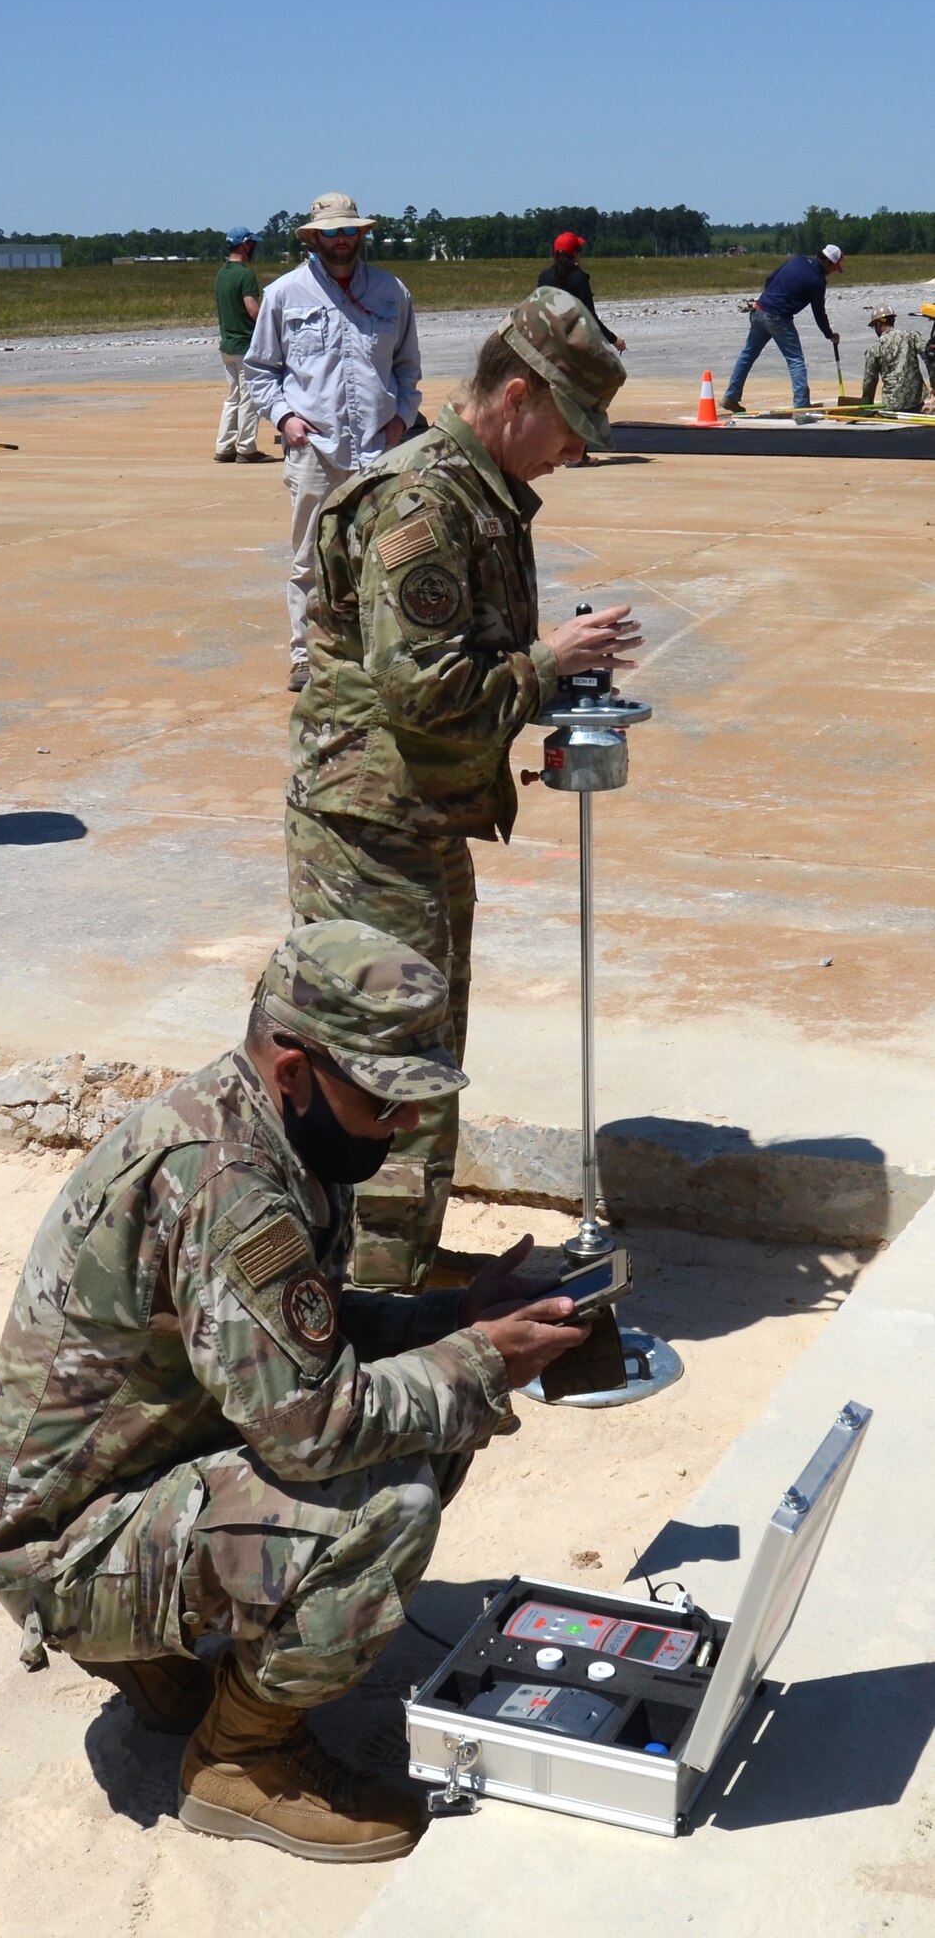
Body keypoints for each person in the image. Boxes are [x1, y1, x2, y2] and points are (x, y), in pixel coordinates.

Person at [0, 919, 590, 1864]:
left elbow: (299, 1338)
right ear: (295, 1069)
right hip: (59, 1550)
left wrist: (455, 1319)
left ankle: (169, 1657)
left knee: (433, 1395)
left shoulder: (264, 1126)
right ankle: (242, 1761)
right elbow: (314, 1426)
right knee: (391, 1490)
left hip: (132, 1477)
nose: (404, 1125)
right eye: (385, 1101)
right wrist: (480, 1361)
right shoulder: (229, 1183)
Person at [285, 289, 640, 1295]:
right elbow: (425, 691)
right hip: (371, 828)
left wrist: (555, 670)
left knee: (417, 1056)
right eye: (570, 429)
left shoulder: (473, 492)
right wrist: (545, 660)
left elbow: (455, 662)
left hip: (409, 818)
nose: (572, 454)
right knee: (383, 1063)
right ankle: (371, 1296)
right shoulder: (425, 502)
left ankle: (390, 1264)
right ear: (517, 396)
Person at [244, 192, 421, 694]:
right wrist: (284, 419)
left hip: (380, 451)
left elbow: (408, 368)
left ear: (361, 235)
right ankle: (304, 656)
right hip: (315, 451)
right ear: (313, 237)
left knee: (387, 552)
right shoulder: (284, 294)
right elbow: (260, 371)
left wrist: (401, 419)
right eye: (332, 233)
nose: (341, 241)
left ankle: (379, 651)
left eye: (349, 232)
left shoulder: (392, 293)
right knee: (309, 559)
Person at [721, 244, 844, 413]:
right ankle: (801, 406)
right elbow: (819, 312)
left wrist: (768, 301)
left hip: (759, 310)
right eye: (834, 267)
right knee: (795, 361)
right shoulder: (818, 281)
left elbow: (770, 279)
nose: (833, 271)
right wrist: (829, 334)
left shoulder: (796, 260)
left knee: (748, 355)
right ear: (828, 262)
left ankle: (730, 397)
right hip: (778, 318)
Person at [213, 227, 270, 464]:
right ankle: (246, 448)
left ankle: (224, 446)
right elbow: (253, 310)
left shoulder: (221, 274)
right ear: (245, 245)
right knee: (250, 398)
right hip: (246, 345)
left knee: (233, 397)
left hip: (227, 346)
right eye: (252, 244)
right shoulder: (245, 275)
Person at [536, 232, 626, 352]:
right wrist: (614, 340)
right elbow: (590, 316)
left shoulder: (544, 276)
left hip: (547, 341)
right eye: (580, 251)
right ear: (574, 254)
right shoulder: (579, 278)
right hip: (572, 344)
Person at [859, 303, 929, 412]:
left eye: (874, 326)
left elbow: (870, 381)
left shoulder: (874, 348)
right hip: (916, 400)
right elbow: (929, 356)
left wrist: (866, 407)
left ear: (878, 324)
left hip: (892, 405)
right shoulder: (911, 336)